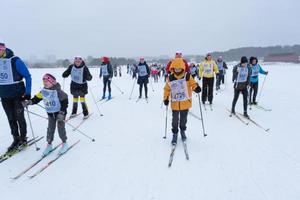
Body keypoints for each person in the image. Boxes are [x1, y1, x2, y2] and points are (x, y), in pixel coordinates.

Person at [23, 74, 69, 155]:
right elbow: (36, 98)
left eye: (47, 81)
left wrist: (62, 112)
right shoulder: (43, 91)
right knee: (50, 129)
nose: (45, 83)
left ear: (53, 82)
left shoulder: (58, 91)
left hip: (59, 114)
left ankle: (64, 143)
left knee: (60, 129)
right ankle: (49, 144)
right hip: (50, 114)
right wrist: (29, 102)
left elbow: (65, 101)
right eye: (43, 81)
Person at [0, 40, 32, 152]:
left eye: (1, 49)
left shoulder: (15, 60)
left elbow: (27, 76)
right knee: (11, 118)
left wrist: (27, 93)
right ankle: (16, 139)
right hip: (4, 96)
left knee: (19, 117)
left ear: (4, 49)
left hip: (18, 95)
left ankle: (23, 138)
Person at [163, 58, 201, 145]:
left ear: (182, 68)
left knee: (183, 119)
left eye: (179, 68)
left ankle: (183, 131)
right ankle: (175, 133)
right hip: (175, 103)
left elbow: (193, 83)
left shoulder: (187, 76)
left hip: (185, 102)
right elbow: (167, 89)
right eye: (175, 68)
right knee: (175, 120)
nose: (177, 70)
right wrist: (165, 98)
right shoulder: (171, 77)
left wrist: (196, 87)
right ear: (173, 68)